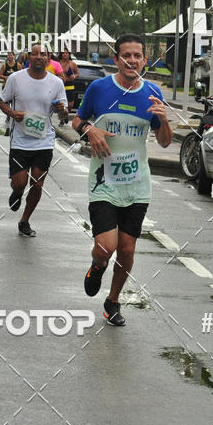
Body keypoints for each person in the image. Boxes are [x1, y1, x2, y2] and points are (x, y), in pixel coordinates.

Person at [73, 34, 173, 326]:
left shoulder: (152, 93)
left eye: (137, 56)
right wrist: (90, 129)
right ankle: (97, 264)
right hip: (103, 181)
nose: (132, 60)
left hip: (137, 185)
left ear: (144, 60)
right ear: (116, 59)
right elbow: (76, 121)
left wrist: (165, 120)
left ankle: (113, 301)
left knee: (127, 249)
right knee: (106, 246)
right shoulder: (99, 89)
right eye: (126, 55)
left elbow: (165, 143)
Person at [0, 44, 68, 237]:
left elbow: (64, 116)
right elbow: (2, 101)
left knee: (37, 185)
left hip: (44, 141)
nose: (39, 57)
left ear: (48, 58)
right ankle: (17, 192)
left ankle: (25, 220)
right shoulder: (15, 79)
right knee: (20, 183)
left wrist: (62, 110)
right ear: (29, 57)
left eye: (43, 54)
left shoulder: (56, 83)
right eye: (35, 54)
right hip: (20, 141)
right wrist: (13, 113)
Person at [58, 48, 79, 114]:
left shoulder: (72, 64)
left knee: (70, 104)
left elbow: (77, 74)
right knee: (61, 103)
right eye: (63, 53)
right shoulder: (57, 63)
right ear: (61, 54)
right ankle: (61, 117)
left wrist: (74, 76)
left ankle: (66, 114)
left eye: (66, 53)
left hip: (69, 85)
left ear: (69, 55)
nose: (65, 54)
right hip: (60, 85)